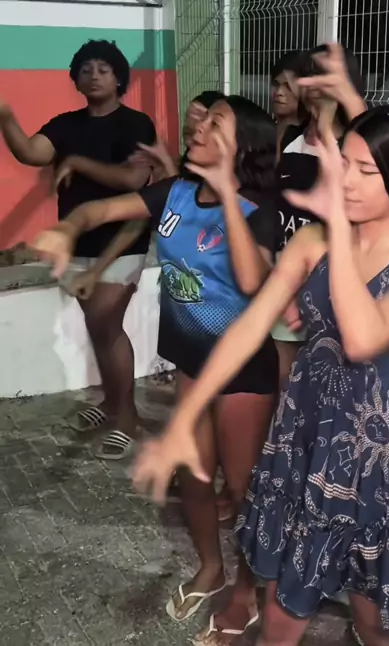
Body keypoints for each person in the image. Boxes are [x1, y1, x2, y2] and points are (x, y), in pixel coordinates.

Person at [129, 104, 389, 646]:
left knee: (374, 627)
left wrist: (340, 235)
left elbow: (364, 340)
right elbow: (247, 328)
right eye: (342, 163)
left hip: (374, 456)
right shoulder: (310, 243)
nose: (345, 181)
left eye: (365, 171)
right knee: (280, 618)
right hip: (303, 434)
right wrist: (184, 419)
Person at [32, 95, 279, 641]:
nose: (199, 126)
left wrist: (228, 191)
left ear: (242, 147)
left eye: (216, 123)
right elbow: (98, 211)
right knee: (193, 476)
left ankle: (248, 590)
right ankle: (211, 569)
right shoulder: (175, 192)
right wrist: (68, 230)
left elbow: (251, 282)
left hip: (241, 375)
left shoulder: (257, 211)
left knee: (245, 490)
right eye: (202, 118)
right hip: (191, 362)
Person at [0, 39, 156, 458]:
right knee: (97, 327)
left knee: (107, 325)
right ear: (76, 79)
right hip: (79, 242)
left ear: (119, 78)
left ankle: (127, 418)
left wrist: (78, 163)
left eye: (103, 68)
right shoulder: (65, 124)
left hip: (121, 242)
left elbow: (133, 181)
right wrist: (6, 117)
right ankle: (112, 404)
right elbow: (31, 152)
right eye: (86, 69)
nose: (94, 75)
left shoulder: (136, 124)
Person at [273, 43, 367, 385]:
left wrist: (328, 122)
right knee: (284, 374)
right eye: (308, 75)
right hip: (287, 267)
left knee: (328, 374)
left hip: (333, 272)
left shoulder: (355, 145)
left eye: (323, 75)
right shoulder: (290, 135)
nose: (313, 84)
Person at [131, 90, 225, 181]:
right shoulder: (182, 162)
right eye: (188, 117)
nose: (189, 125)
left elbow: (182, 191)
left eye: (198, 118)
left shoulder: (215, 170)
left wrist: (166, 160)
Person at [270, 52, 307, 157]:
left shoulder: (309, 138)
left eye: (288, 86)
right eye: (276, 84)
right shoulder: (263, 131)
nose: (279, 92)